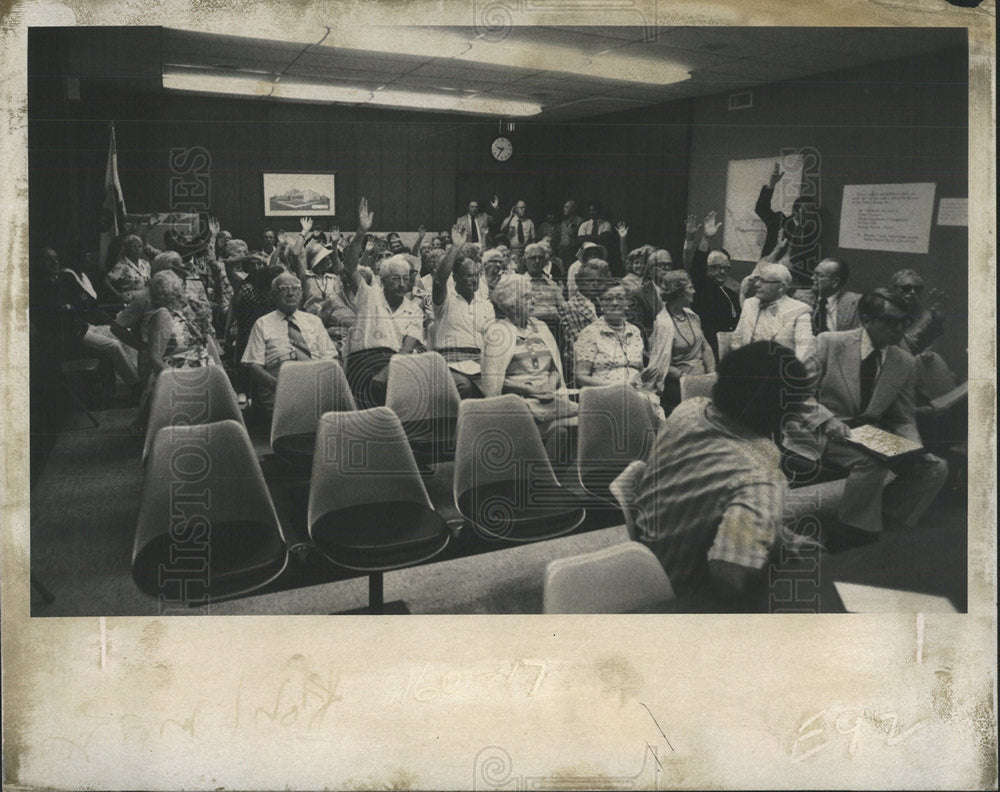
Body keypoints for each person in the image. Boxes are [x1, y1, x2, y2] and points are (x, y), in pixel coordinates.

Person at [631, 342, 813, 611]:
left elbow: (709, 494)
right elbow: (729, 579)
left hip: (652, 560)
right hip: (690, 601)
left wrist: (775, 535)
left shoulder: (688, 410)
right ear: (783, 412)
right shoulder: (761, 478)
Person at [798, 289, 949, 545]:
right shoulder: (830, 342)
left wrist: (914, 448)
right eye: (892, 322)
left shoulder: (905, 362)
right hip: (819, 430)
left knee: (934, 468)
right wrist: (827, 420)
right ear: (867, 319)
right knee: (870, 463)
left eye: (905, 322)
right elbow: (797, 393)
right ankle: (852, 531)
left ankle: (883, 520)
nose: (900, 329)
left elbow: (903, 418)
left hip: (868, 435)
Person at [481, 273, 576, 460]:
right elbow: (493, 381)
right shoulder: (498, 332)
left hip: (549, 398)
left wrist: (549, 383)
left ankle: (546, 479)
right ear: (510, 302)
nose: (534, 300)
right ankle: (543, 480)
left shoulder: (541, 327)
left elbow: (555, 369)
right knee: (558, 430)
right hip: (519, 401)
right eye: (526, 297)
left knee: (579, 422)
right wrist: (530, 389)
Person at [342, 198, 425, 407]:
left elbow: (406, 350)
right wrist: (361, 232)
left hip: (395, 362)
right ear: (382, 280)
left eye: (406, 279)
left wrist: (387, 371)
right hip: (361, 360)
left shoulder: (414, 308)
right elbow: (350, 266)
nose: (402, 284)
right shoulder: (369, 294)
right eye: (396, 279)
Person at [241, 272, 338, 413]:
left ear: (301, 293)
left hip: (314, 384)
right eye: (284, 289)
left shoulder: (314, 321)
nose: (291, 293)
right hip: (278, 388)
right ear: (273, 295)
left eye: (295, 288)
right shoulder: (262, 324)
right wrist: (280, 386)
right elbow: (254, 367)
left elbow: (330, 358)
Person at [431, 224, 496, 397]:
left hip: (480, 366)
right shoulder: (445, 301)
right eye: (468, 275)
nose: (474, 280)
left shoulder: (486, 305)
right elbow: (438, 282)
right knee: (464, 387)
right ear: (455, 277)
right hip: (450, 366)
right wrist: (456, 247)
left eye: (477, 275)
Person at [642, 270, 716, 412]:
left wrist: (711, 373)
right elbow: (661, 363)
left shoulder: (693, 316)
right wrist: (687, 378)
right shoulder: (663, 324)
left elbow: (705, 347)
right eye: (690, 287)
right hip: (679, 380)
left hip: (702, 374)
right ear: (679, 292)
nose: (694, 291)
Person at [683, 212, 741, 361]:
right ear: (707, 268)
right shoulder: (702, 287)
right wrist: (706, 238)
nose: (722, 271)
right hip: (708, 351)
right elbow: (697, 266)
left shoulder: (731, 293)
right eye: (716, 267)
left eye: (725, 268)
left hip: (730, 351)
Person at [731, 263, 814, 362]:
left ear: (781, 287)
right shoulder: (749, 304)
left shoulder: (799, 311)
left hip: (778, 371)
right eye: (758, 279)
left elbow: (804, 351)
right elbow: (737, 339)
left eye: (763, 281)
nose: (757, 284)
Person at [755, 161, 820, 285]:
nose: (810, 216)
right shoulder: (779, 221)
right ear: (795, 211)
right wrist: (771, 184)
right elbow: (761, 209)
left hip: (791, 279)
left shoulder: (809, 234)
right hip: (768, 272)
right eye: (806, 212)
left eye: (812, 212)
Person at [792, 257, 862, 335]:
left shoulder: (855, 303)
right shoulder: (800, 297)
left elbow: (856, 337)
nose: (812, 278)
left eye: (819, 275)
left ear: (835, 281)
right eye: (814, 273)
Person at [888, 268, 947, 356]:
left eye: (917, 289)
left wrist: (936, 321)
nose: (912, 292)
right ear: (892, 289)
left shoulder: (928, 317)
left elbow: (917, 349)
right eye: (906, 288)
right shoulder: (880, 310)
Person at [522, 242, 565, 340]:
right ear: (525, 261)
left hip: (555, 328)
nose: (537, 261)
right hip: (533, 330)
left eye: (540, 258)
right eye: (533, 258)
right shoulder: (520, 284)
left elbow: (563, 307)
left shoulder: (552, 284)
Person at [105, 234, 150, 305]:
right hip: (130, 303)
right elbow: (106, 281)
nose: (137, 249)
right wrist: (119, 295)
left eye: (140, 246)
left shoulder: (145, 264)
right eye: (134, 247)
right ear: (127, 249)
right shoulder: (122, 265)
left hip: (146, 302)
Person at [556, 199, 584, 266]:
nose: (564, 209)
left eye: (566, 207)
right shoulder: (563, 222)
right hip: (562, 254)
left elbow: (581, 240)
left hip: (573, 253)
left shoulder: (580, 222)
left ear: (573, 209)